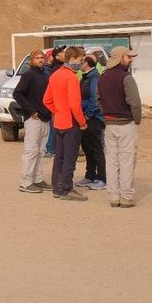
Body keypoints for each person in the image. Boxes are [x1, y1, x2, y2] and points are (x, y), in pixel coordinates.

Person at [99, 46, 142, 208]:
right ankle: (126, 197)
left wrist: (107, 114)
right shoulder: (126, 78)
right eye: (128, 57)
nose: (131, 60)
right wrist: (136, 120)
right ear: (119, 57)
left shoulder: (102, 77)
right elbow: (135, 103)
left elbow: (98, 99)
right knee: (127, 161)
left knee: (111, 162)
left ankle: (113, 197)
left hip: (109, 125)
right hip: (126, 124)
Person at [43, 46, 87, 201]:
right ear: (73, 59)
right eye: (81, 60)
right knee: (69, 157)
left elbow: (46, 100)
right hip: (71, 122)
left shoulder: (55, 75)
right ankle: (66, 188)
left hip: (59, 122)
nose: (82, 64)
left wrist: (58, 111)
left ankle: (57, 187)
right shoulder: (72, 78)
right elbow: (75, 105)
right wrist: (82, 122)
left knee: (59, 156)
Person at [15, 50, 52, 193]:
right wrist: (31, 110)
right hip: (33, 119)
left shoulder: (44, 75)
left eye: (42, 57)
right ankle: (25, 182)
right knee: (31, 151)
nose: (40, 60)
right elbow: (17, 93)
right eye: (37, 58)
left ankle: (37, 179)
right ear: (32, 60)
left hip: (45, 118)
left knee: (41, 151)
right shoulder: (28, 75)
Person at [74, 56, 107, 191]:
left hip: (94, 119)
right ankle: (90, 175)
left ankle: (102, 178)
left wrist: (88, 115)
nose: (79, 64)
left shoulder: (94, 78)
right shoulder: (85, 77)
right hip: (85, 117)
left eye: (81, 62)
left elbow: (95, 98)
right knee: (87, 148)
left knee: (96, 148)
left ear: (86, 63)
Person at [43, 45, 67, 158]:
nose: (65, 54)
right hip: (57, 103)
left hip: (56, 103)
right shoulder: (57, 69)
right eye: (62, 52)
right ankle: (51, 148)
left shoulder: (59, 67)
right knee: (55, 126)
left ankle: (52, 148)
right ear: (56, 56)